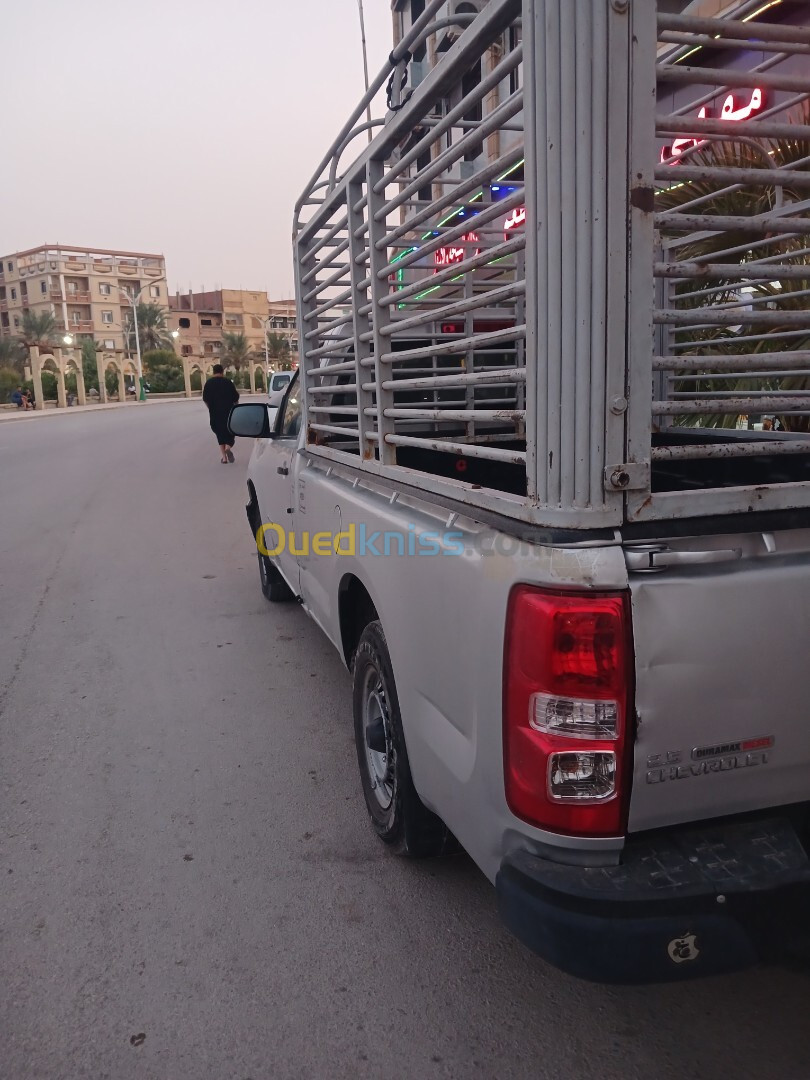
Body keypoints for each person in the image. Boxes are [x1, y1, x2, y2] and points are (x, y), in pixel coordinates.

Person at [202, 364, 240, 463]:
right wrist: (236, 408)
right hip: (229, 412)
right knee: (231, 432)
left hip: (215, 413)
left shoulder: (208, 383)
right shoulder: (228, 382)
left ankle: (224, 458)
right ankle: (228, 447)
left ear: (213, 372)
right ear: (222, 372)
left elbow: (205, 399)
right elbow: (235, 398)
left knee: (219, 434)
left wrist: (210, 408)